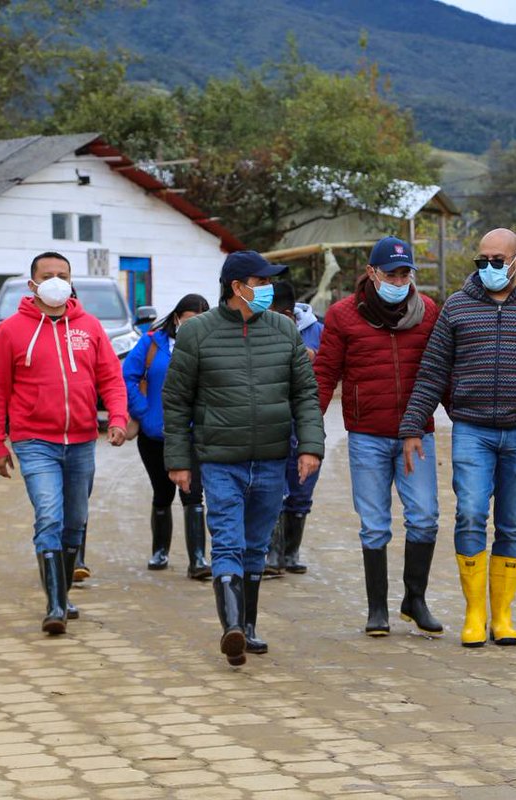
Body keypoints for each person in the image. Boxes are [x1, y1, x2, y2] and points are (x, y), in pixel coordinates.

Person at [399, 228, 516, 648]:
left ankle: (502, 615)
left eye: (497, 260)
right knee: (470, 513)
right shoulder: (457, 308)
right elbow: (432, 371)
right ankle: (474, 612)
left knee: (512, 524)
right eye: (482, 261)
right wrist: (412, 425)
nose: (488, 268)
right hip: (472, 431)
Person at [162, 250, 324, 666]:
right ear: (237, 287)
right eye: (261, 282)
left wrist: (310, 445)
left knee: (255, 546)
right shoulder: (197, 333)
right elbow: (177, 402)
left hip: (272, 457)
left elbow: (306, 393)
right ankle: (231, 627)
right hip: (220, 460)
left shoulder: (285, 332)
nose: (268, 289)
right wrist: (178, 460)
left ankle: (247, 628)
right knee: (229, 543)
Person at [0, 252, 129, 634]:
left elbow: (111, 379)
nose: (55, 281)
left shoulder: (90, 327)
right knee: (50, 514)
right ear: (32, 284)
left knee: (75, 521)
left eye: (62, 275)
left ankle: (61, 593)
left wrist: (116, 419)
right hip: (34, 441)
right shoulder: (12, 330)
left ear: (71, 280)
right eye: (47, 275)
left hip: (81, 440)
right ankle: (55, 606)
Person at [315, 236, 443, 636]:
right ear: (372, 273)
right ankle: (377, 609)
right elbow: (324, 373)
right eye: (392, 273)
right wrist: (308, 430)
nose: (400, 280)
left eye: (406, 273)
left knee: (424, 517)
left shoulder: (428, 313)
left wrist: (470, 420)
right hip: (367, 435)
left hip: (416, 435)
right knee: (374, 525)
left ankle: (414, 599)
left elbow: (441, 372)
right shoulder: (342, 316)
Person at [122, 294, 213, 579]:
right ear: (177, 318)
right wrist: (143, 410)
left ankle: (198, 559)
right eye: (188, 321)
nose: (193, 326)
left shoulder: (212, 345)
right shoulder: (152, 342)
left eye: (200, 322)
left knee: (193, 493)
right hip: (154, 435)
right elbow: (128, 376)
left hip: (194, 434)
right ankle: (159, 551)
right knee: (162, 493)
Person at [265, 280, 325, 578]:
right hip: (271, 417)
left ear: (289, 313)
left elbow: (326, 373)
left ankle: (291, 551)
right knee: (274, 484)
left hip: (305, 417)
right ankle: (272, 552)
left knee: (303, 485)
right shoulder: (262, 326)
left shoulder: (316, 331)